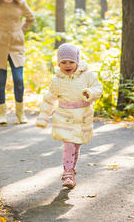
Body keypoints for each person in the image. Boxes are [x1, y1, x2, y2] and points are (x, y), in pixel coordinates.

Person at [36, 43, 103, 189]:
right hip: (64, 117)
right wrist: (43, 115)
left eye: (71, 62)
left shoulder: (87, 75)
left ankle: (71, 168)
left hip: (82, 116)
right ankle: (67, 173)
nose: (67, 65)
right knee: (69, 144)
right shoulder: (58, 80)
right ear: (58, 63)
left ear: (77, 62)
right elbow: (49, 99)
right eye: (63, 62)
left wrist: (90, 93)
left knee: (76, 146)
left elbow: (98, 88)